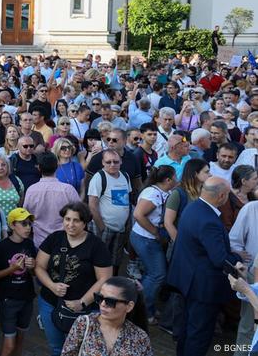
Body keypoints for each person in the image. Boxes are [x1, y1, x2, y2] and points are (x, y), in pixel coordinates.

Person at [166, 176, 244, 356]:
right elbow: (219, 259)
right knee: (199, 334)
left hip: (188, 280)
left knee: (187, 327)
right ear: (222, 196)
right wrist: (238, 257)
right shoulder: (209, 220)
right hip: (203, 287)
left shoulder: (192, 207)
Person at [35, 202, 113, 356]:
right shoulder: (54, 239)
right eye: (67, 219)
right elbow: (39, 267)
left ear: (85, 222)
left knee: (83, 349)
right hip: (51, 303)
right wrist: (52, 286)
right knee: (56, 348)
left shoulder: (96, 245)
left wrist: (82, 302)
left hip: (85, 309)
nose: (70, 224)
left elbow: (105, 278)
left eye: (76, 220)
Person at [129, 165, 177, 324]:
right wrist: (155, 232)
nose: (177, 180)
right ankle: (144, 311)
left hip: (147, 239)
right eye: (175, 177)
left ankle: (144, 306)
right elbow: (138, 214)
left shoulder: (163, 191)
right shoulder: (153, 194)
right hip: (145, 239)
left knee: (152, 273)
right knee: (157, 274)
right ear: (168, 180)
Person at [60, 276, 153, 356]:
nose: (103, 304)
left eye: (110, 301)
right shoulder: (83, 323)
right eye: (99, 298)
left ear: (129, 306)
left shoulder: (140, 337)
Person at [0, 208, 37, 356]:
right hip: (8, 299)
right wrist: (12, 269)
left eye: (29, 224)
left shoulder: (29, 244)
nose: (28, 227)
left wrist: (32, 267)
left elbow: (34, 274)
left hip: (27, 298)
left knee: (20, 339)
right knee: (9, 344)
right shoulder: (1, 247)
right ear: (12, 225)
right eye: (24, 224)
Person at [86, 149, 134, 271]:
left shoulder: (125, 176)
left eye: (115, 161)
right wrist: (102, 227)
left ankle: (113, 281)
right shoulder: (99, 177)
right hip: (104, 227)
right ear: (103, 162)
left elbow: (127, 200)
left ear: (121, 161)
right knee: (99, 261)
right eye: (108, 162)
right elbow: (92, 205)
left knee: (116, 261)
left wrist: (126, 224)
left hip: (120, 228)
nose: (112, 164)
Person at [23, 152, 80, 248]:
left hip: (40, 242)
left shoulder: (31, 190)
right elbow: (80, 213)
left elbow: (26, 215)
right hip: (65, 240)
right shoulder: (68, 190)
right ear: (57, 166)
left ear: (39, 168)